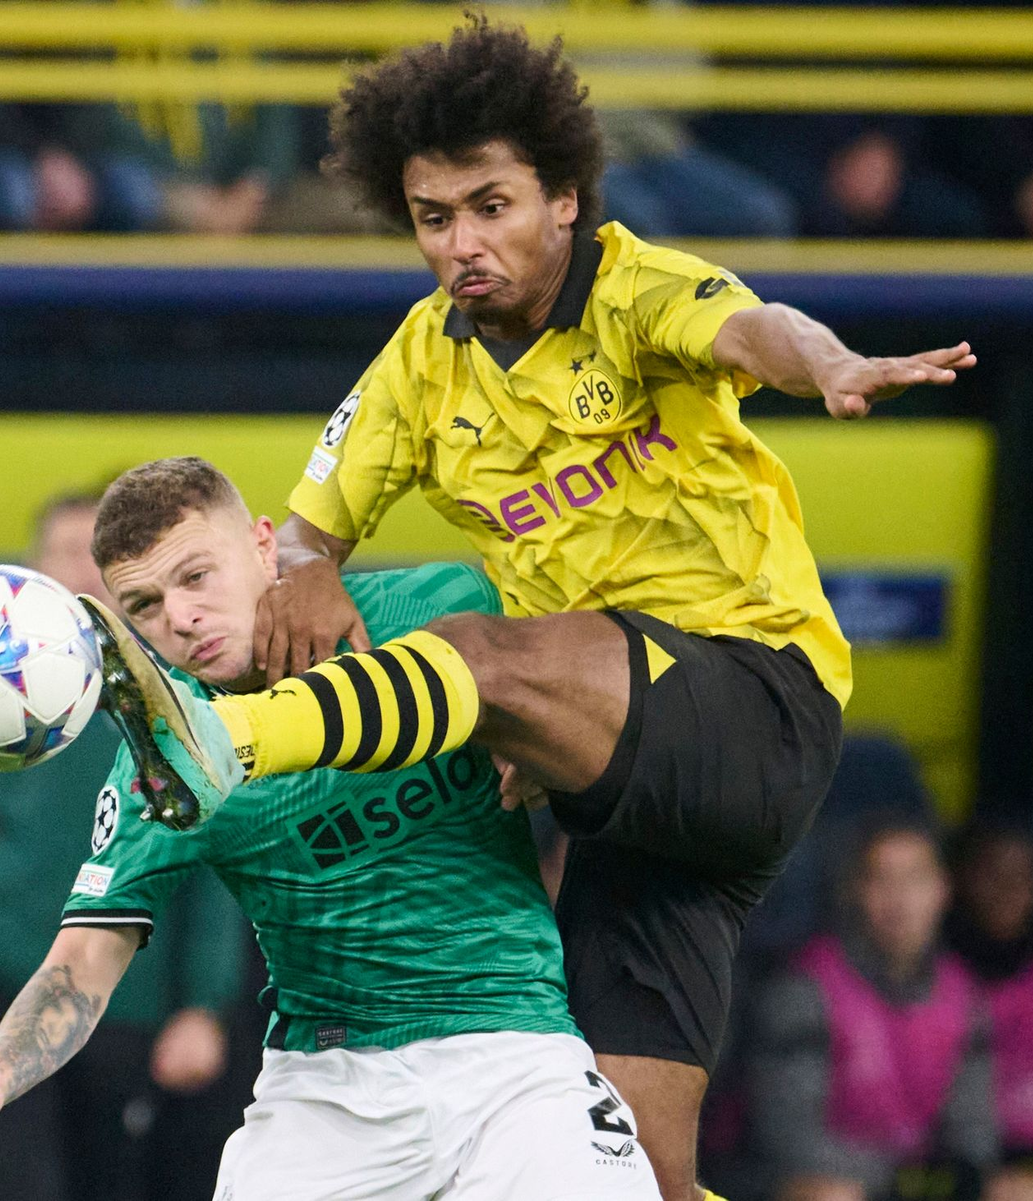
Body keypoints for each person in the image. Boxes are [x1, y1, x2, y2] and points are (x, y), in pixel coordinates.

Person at [86, 22, 976, 1201]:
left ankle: (221, 743)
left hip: (751, 697)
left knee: (476, 656)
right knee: (632, 1174)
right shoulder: (420, 364)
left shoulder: (634, 287)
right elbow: (306, 528)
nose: (462, 242)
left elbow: (756, 328)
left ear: (563, 199)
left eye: (490, 206)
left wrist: (831, 366)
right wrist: (305, 566)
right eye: (433, 216)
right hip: (640, 819)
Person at [0, 457, 659, 1201]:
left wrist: (542, 734)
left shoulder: (437, 609)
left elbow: (625, 681)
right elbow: (81, 964)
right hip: (326, 1092)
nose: (180, 617)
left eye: (196, 577)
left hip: (516, 1057)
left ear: (265, 546)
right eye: (145, 605)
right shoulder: (160, 767)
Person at [0, 492, 241, 1201]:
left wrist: (203, 1005)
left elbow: (214, 861)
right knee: (17, 1182)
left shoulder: (174, 692)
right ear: (30, 570)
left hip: (127, 997)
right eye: (65, 552)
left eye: (98, 556)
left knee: (113, 1182)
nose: (81, 571)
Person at [747, 816, 998, 1201]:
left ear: (943, 889)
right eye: (881, 879)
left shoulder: (965, 996)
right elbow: (789, 1139)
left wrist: (953, 1178)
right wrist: (903, 1180)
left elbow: (974, 1135)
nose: (899, 899)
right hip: (820, 1182)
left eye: (915, 879)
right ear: (854, 890)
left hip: (914, 1183)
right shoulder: (805, 988)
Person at [946, 821, 1033, 1196]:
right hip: (953, 1163)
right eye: (992, 873)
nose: (1007, 889)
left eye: (1023, 875)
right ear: (958, 878)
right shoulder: (932, 978)